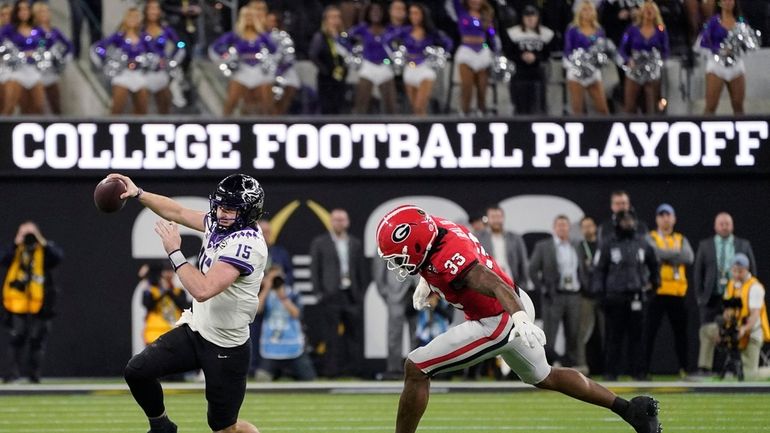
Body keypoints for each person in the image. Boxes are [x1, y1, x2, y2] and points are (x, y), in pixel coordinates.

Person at [376, 204, 661, 433]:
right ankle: (631, 411)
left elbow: (492, 284)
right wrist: (429, 282)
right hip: (516, 299)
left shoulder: (450, 257)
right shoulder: (435, 226)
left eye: (399, 257)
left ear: (417, 244)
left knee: (416, 367)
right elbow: (437, 256)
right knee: (545, 376)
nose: (398, 264)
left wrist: (520, 319)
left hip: (499, 317)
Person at [109, 172, 266, 433]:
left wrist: (174, 251)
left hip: (226, 346)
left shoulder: (246, 245)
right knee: (138, 371)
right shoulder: (221, 223)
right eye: (221, 206)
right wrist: (139, 193)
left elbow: (203, 289)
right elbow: (179, 211)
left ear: (249, 212)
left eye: (231, 209)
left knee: (226, 428)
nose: (222, 213)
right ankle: (162, 427)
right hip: (197, 330)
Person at [592, 209, 659, 381]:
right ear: (617, 223)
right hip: (615, 297)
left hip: (637, 296)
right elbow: (599, 270)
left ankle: (639, 372)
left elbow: (654, 264)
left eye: (631, 221)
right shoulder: (608, 244)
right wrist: (600, 294)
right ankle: (611, 372)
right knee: (614, 336)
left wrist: (655, 284)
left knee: (638, 337)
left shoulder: (642, 243)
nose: (628, 224)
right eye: (625, 221)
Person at [309, 208, 370, 377]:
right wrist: (319, 293)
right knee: (331, 335)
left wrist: (361, 294)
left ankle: (354, 370)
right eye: (336, 220)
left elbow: (361, 271)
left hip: (351, 294)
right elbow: (314, 269)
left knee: (354, 335)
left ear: (348, 222)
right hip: (330, 294)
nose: (339, 223)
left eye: (342, 220)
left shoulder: (355, 243)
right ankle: (331, 371)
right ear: (330, 222)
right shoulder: (320, 242)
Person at [693, 212, 756, 375]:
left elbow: (753, 271)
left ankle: (737, 366)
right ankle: (705, 367)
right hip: (712, 297)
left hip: (735, 297)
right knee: (708, 331)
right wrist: (701, 297)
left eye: (727, 223)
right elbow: (698, 273)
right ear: (715, 226)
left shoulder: (743, 244)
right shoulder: (705, 245)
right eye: (721, 223)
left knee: (734, 330)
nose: (724, 226)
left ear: (732, 225)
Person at [1, 221, 63, 383]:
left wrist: (41, 241)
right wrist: (16, 243)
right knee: (17, 337)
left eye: (31, 233)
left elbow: (58, 257)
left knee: (37, 339)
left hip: (41, 304)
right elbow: (3, 259)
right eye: (24, 233)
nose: (28, 237)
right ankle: (12, 375)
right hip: (17, 304)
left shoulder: (45, 250)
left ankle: (34, 376)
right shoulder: (15, 250)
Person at [529, 215, 585, 367]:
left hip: (573, 294)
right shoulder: (544, 246)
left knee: (573, 333)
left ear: (569, 228)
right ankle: (546, 367)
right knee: (549, 334)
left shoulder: (577, 245)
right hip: (554, 295)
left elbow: (582, 268)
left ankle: (572, 367)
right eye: (559, 225)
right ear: (554, 228)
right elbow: (532, 269)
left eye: (565, 225)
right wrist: (543, 288)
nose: (562, 228)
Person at [645, 204, 693, 377]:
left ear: (674, 218)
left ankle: (684, 369)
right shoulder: (650, 237)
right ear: (657, 218)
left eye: (668, 215)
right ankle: (644, 369)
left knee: (681, 334)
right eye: (662, 215)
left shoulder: (681, 238)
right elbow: (652, 253)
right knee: (649, 333)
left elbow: (688, 257)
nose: (665, 218)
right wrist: (674, 254)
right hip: (657, 292)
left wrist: (663, 255)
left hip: (677, 293)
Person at [383, 3, 453, 115]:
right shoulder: (405, 30)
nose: (413, 16)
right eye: (411, 13)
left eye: (416, 13)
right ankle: (422, 129)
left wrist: (440, 56)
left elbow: (448, 43)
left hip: (425, 68)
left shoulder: (430, 32)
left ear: (423, 15)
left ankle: (424, 129)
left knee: (420, 105)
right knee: (415, 109)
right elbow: (386, 39)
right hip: (409, 69)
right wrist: (396, 54)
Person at [209, 5, 276, 116]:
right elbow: (216, 48)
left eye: (251, 16)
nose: (249, 18)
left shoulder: (263, 36)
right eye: (246, 16)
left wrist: (268, 61)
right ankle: (225, 126)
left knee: (267, 104)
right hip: (241, 70)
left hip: (260, 70)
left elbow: (274, 50)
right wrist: (227, 59)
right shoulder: (235, 35)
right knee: (231, 101)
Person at [255, 266, 316, 382]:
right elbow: (257, 310)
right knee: (262, 379)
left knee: (308, 379)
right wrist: (266, 288)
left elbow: (296, 314)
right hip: (272, 347)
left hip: (292, 345)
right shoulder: (265, 295)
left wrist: (282, 296)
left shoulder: (293, 293)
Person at [91, 8, 150, 115]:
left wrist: (149, 61)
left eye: (136, 17)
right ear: (125, 19)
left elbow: (155, 52)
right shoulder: (119, 36)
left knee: (142, 110)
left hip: (139, 74)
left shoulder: (144, 38)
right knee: (117, 109)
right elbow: (98, 47)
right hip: (122, 74)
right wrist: (110, 59)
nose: (133, 20)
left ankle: (137, 130)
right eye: (130, 17)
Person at [720, 253, 770, 379]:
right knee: (732, 375)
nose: (736, 275)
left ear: (747, 269)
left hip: (752, 333)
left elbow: (754, 315)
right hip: (737, 331)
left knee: (749, 376)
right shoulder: (731, 284)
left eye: (740, 272)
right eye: (734, 271)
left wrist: (744, 329)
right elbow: (728, 308)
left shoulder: (755, 287)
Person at [699, 0, 753, 115]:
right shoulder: (713, 21)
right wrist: (719, 49)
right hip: (716, 65)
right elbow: (703, 42)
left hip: (736, 65)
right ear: (720, 3)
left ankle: (740, 131)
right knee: (711, 106)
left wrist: (739, 46)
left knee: (738, 106)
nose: (728, 2)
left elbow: (748, 43)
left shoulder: (741, 21)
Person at [373, 249, 419, 380]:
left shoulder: (419, 232)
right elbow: (378, 265)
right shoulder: (387, 234)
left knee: (418, 333)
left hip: (417, 289)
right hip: (395, 291)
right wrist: (384, 290)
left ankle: (419, 368)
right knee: (394, 333)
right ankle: (394, 369)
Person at [618, 1, 670, 114]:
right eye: (646, 9)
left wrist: (659, 62)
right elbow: (622, 49)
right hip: (635, 68)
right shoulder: (631, 29)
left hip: (652, 70)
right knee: (630, 106)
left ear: (656, 13)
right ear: (641, 12)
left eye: (652, 9)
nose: (649, 11)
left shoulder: (661, 30)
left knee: (651, 106)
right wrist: (628, 60)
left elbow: (665, 50)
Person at [347, 2, 397, 114]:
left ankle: (394, 127)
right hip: (367, 67)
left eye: (378, 11)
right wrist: (353, 51)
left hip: (384, 67)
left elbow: (399, 42)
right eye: (373, 11)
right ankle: (358, 127)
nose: (376, 14)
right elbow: (345, 37)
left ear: (383, 13)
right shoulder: (363, 28)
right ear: (368, 13)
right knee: (361, 104)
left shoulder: (390, 29)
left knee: (391, 106)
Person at [564, 0, 610, 115]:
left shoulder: (599, 30)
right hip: (576, 72)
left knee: (603, 109)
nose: (587, 12)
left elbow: (602, 49)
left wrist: (597, 62)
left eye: (590, 9)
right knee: (577, 110)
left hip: (593, 72)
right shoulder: (572, 29)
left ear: (594, 12)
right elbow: (568, 50)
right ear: (579, 12)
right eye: (584, 9)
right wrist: (577, 64)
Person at [506, 5, 554, 114]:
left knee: (538, 105)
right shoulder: (513, 33)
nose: (530, 19)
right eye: (527, 16)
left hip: (537, 72)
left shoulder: (546, 33)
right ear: (522, 18)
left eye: (533, 16)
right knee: (520, 105)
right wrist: (521, 57)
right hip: (519, 72)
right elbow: (509, 53)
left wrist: (535, 58)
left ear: (538, 18)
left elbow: (547, 54)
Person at [451, 0, 497, 115]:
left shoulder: (486, 15)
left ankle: (481, 113)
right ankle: (464, 113)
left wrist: (490, 28)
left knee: (482, 88)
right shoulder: (461, 12)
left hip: (482, 50)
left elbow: (492, 36)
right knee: (467, 87)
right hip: (466, 50)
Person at [1, 0, 45, 115]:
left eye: (26, 9)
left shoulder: (38, 30)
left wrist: (37, 53)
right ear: (16, 12)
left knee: (38, 107)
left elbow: (43, 44)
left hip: (33, 70)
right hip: (16, 71)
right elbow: (3, 45)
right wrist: (21, 54)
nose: (24, 12)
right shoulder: (9, 29)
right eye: (20, 9)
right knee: (10, 106)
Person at [143, 0, 185, 115]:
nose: (153, 12)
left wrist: (172, 61)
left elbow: (180, 45)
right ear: (146, 11)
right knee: (141, 106)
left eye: (156, 8)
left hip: (162, 71)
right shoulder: (140, 30)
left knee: (164, 105)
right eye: (151, 8)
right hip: (142, 72)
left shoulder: (167, 30)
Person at [31, 2, 73, 115]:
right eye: (41, 12)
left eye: (46, 11)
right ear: (35, 15)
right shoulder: (34, 31)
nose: (44, 14)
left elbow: (69, 45)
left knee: (55, 104)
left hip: (52, 72)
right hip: (37, 72)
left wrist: (64, 58)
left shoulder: (55, 31)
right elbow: (38, 45)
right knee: (37, 106)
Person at [475, 206, 530, 286]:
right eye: (493, 217)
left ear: (503, 218)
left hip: (512, 282)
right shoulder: (478, 238)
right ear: (487, 219)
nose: (496, 220)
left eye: (499, 217)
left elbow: (523, 262)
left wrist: (523, 285)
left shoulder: (515, 238)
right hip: (487, 282)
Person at [309, 5, 348, 115]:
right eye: (332, 17)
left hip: (340, 76)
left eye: (337, 17)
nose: (335, 20)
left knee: (339, 106)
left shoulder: (343, 37)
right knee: (326, 107)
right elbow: (313, 55)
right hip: (326, 78)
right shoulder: (320, 36)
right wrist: (324, 69)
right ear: (326, 20)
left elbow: (348, 54)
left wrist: (345, 68)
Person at [139, 262, 190, 346]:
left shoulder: (179, 291)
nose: (168, 274)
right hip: (154, 333)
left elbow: (184, 306)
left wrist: (168, 291)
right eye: (165, 271)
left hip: (173, 333)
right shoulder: (152, 290)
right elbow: (147, 304)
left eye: (170, 271)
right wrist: (161, 290)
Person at [576, 215, 602, 374]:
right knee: (582, 332)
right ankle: (582, 365)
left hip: (603, 295)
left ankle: (607, 366)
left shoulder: (602, 245)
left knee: (607, 332)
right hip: (586, 295)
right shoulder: (579, 247)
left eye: (590, 226)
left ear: (595, 227)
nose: (588, 229)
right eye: (584, 227)